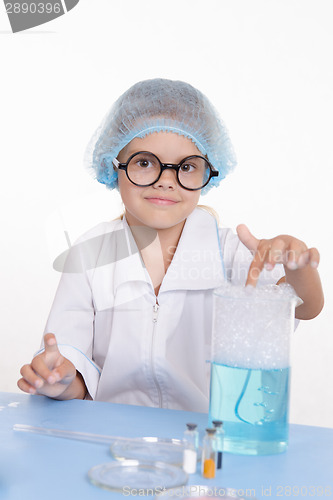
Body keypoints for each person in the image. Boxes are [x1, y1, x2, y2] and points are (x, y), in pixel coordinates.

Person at [18, 79, 324, 411]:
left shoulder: (231, 254)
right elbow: (73, 373)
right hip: (112, 435)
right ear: (114, 166)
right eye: (145, 162)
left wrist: (298, 269)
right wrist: (59, 380)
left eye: (187, 167)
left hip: (204, 441)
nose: (166, 179)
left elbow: (303, 307)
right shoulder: (91, 254)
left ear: (207, 174)